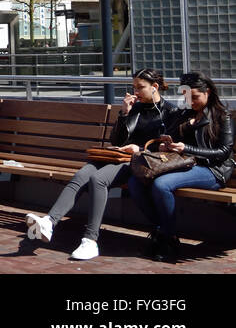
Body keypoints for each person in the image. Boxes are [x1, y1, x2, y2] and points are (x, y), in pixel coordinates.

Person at [25, 68, 172, 260]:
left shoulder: (170, 112)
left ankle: (90, 240)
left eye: (140, 87)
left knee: (98, 179)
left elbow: (167, 150)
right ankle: (49, 222)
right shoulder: (135, 108)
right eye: (133, 87)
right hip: (118, 157)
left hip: (142, 162)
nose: (135, 92)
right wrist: (123, 114)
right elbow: (116, 141)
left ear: (155, 87)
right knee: (82, 174)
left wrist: (141, 150)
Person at [126, 71, 233, 263]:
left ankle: (167, 239)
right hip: (183, 164)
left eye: (196, 97)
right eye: (187, 97)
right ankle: (165, 232)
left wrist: (187, 148)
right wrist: (167, 144)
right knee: (136, 181)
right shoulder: (184, 113)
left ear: (207, 91)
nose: (191, 102)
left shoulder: (221, 115)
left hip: (212, 170)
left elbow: (224, 151)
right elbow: (169, 135)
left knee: (161, 185)